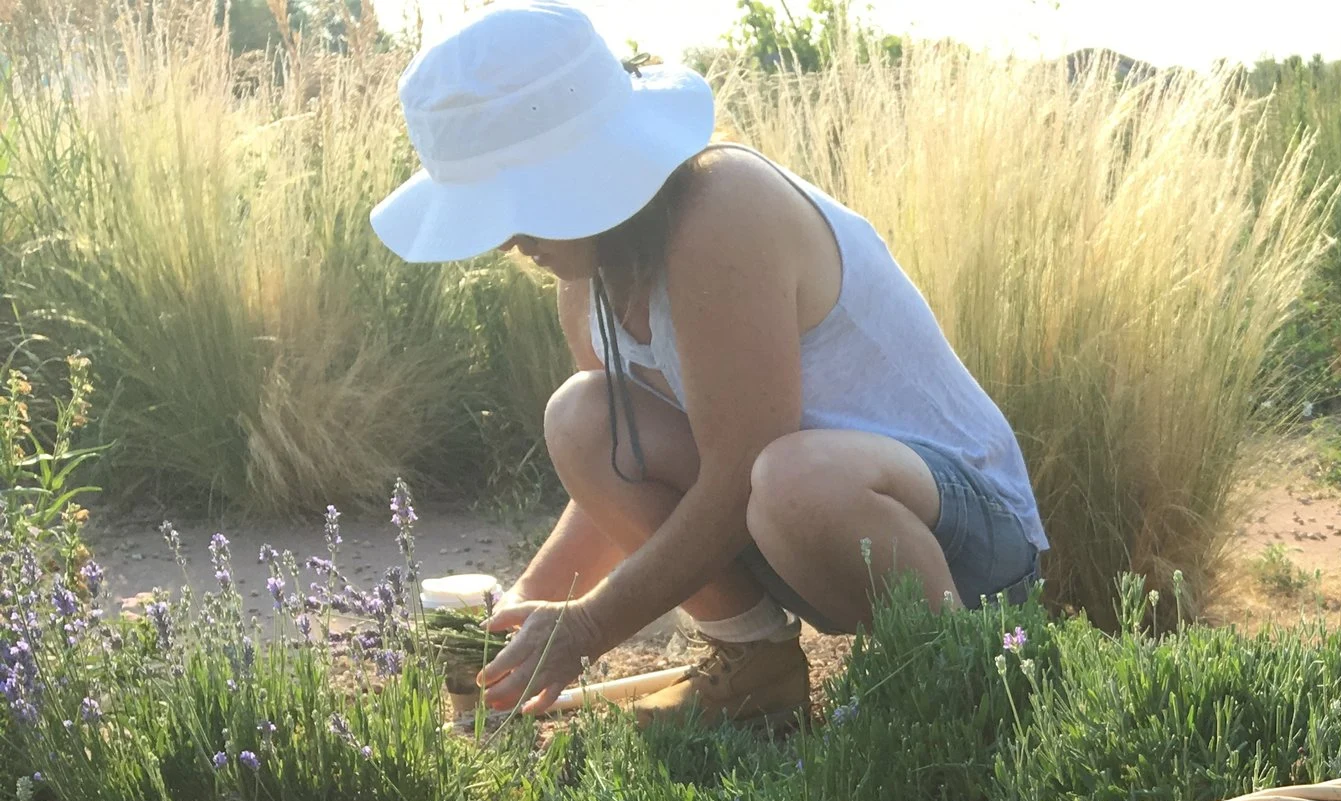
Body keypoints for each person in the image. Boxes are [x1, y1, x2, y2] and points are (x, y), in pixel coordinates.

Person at [369, 0, 1047, 728]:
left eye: (514, 206)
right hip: (803, 524)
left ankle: (957, 686)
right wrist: (515, 626)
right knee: (581, 417)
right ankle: (756, 669)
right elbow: (627, 469)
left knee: (790, 480)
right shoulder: (585, 281)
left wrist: (590, 627)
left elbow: (738, 476)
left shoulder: (724, 210)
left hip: (971, 542)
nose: (508, 241)